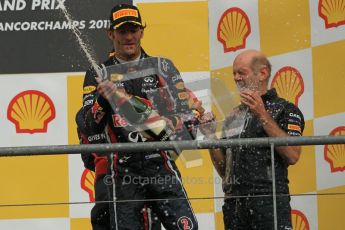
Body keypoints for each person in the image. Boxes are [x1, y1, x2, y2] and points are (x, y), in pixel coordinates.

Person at [76, 3, 202, 230]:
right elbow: (87, 126)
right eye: (122, 31)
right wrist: (103, 101)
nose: (128, 37)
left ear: (142, 31)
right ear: (110, 34)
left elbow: (189, 120)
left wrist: (159, 124)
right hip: (122, 172)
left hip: (161, 165)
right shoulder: (98, 73)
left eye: (133, 30)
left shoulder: (162, 67)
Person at [200, 49, 305, 229]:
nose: (236, 78)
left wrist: (262, 115)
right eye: (234, 73)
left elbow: (292, 155)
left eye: (242, 72)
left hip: (268, 202)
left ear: (262, 73)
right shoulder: (233, 116)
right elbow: (225, 171)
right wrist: (210, 136)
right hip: (234, 205)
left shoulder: (286, 109)